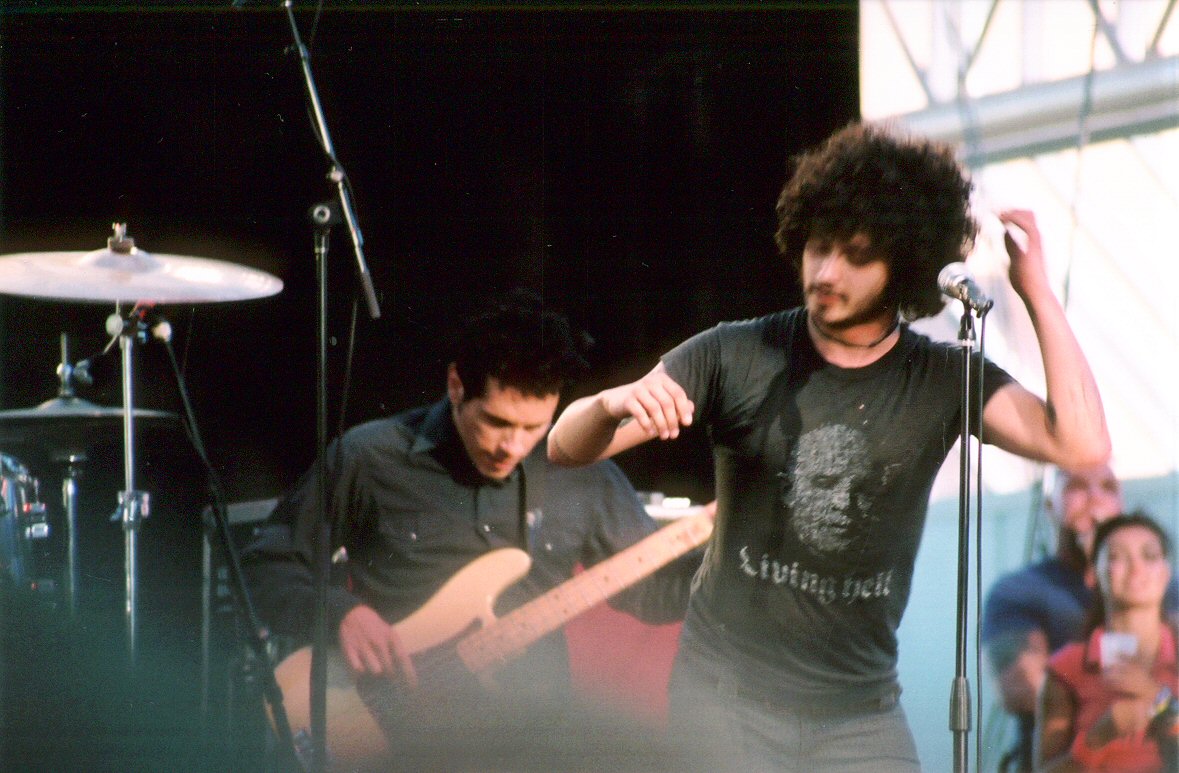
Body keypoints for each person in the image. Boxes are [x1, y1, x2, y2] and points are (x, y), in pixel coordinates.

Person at [547, 121, 1111, 772]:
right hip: (725, 699)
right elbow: (564, 447)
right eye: (818, 247)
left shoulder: (940, 377)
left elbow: (1081, 444)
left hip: (860, 711)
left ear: (901, 265)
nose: (825, 271)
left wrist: (1035, 290)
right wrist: (608, 404)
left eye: (856, 255)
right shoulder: (738, 352)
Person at [241, 289, 700, 766]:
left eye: (533, 428)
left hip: (535, 743)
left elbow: (651, 592)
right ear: (456, 385)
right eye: (497, 422)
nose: (513, 447)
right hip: (400, 738)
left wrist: (731, 552)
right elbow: (265, 564)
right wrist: (340, 613)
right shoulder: (370, 457)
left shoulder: (582, 469)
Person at [983, 464, 1125, 772]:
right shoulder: (1018, 590)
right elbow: (1022, 691)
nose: (1095, 497)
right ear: (1050, 506)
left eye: (1108, 487)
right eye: (1077, 486)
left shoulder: (1166, 589)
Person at [1036, 513, 1179, 772]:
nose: (1136, 568)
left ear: (1166, 573)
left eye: (1149, 556)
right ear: (1092, 575)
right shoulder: (1068, 666)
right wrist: (1097, 739)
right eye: (1117, 557)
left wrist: (1160, 700)